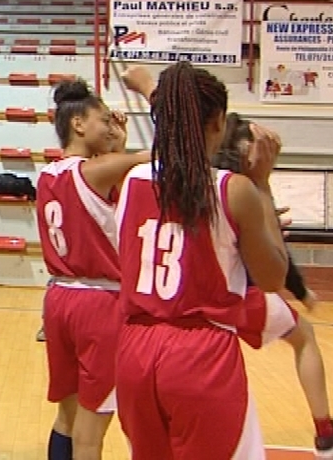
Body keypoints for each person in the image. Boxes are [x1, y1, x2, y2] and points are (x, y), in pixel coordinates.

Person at [115, 62, 287, 459]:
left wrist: (148, 87)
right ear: (218, 122)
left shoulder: (132, 181)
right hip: (200, 353)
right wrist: (263, 185)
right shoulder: (235, 190)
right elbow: (274, 277)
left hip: (136, 350)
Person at [36, 78, 150, 460]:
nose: (112, 125)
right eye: (104, 119)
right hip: (99, 302)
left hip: (58, 298)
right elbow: (152, 161)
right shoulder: (95, 171)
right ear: (79, 124)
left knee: (66, 417)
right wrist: (123, 145)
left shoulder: (49, 174)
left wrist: (113, 145)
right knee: (92, 428)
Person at [214, 112, 333, 456]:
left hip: (200, 298)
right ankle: (324, 430)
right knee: (305, 336)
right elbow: (275, 261)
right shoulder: (247, 188)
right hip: (244, 295)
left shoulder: (208, 183)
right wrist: (301, 291)